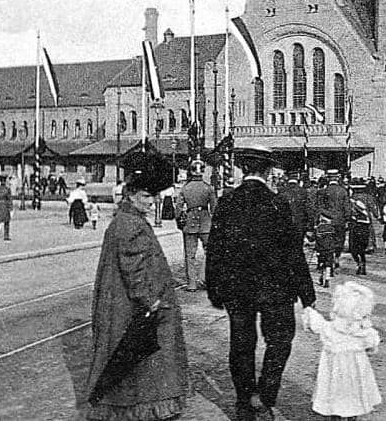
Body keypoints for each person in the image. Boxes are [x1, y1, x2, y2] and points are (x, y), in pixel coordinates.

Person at [206, 145, 316, 421]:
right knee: (280, 340)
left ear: (243, 169)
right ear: (268, 170)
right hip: (275, 289)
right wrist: (307, 295)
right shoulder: (278, 203)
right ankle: (264, 397)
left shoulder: (227, 202)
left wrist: (214, 288)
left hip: (236, 288)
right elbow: (293, 251)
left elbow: (214, 248)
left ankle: (245, 400)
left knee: (241, 343)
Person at [85, 150, 188, 420]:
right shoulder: (132, 225)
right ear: (131, 195)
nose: (152, 202)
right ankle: (144, 408)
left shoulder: (125, 220)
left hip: (120, 304)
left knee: (128, 359)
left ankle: (131, 405)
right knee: (147, 359)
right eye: (146, 196)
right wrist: (149, 300)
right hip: (134, 307)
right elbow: (134, 270)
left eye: (153, 196)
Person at [301, 281, 382, 421]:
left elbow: (316, 323)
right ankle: (352, 417)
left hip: (334, 373)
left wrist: (309, 312)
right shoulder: (365, 333)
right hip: (356, 373)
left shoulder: (330, 329)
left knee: (334, 396)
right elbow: (372, 346)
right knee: (355, 396)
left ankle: (336, 416)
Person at [176, 160, 215, 292]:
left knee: (190, 255)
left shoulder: (185, 188)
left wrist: (179, 221)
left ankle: (192, 284)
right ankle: (206, 279)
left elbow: (178, 208)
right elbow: (214, 208)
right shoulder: (208, 188)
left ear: (191, 171)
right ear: (203, 171)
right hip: (205, 223)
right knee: (210, 252)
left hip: (190, 222)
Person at [317, 171, 351, 269]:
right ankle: (337, 257)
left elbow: (319, 207)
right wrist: (347, 219)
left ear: (328, 178)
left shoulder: (324, 191)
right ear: (337, 178)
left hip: (327, 220)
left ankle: (329, 260)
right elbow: (347, 207)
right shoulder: (343, 191)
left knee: (327, 240)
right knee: (339, 239)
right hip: (340, 220)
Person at [347, 194, 372, 276]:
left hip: (355, 232)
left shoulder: (354, 214)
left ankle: (359, 264)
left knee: (354, 250)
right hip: (364, 233)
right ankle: (362, 265)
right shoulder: (366, 215)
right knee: (361, 251)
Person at [314, 214, 338, 288]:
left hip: (320, 249)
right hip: (330, 249)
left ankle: (321, 276)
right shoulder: (332, 228)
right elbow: (336, 239)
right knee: (328, 264)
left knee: (321, 262)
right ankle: (327, 279)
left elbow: (311, 239)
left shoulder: (318, 228)